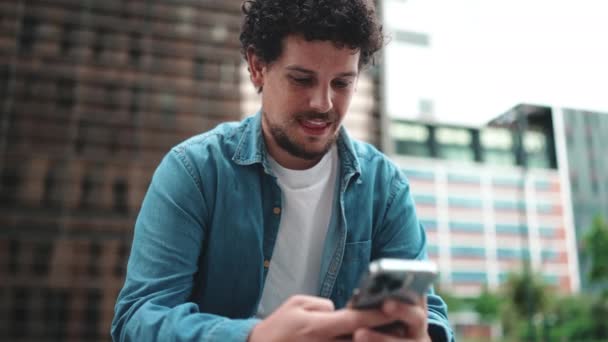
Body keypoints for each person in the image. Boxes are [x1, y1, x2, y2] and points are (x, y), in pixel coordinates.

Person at [111, 0, 453, 341]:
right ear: (257, 66)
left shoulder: (385, 187)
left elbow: (433, 317)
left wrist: (420, 337)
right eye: (302, 80)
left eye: (341, 83)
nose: (323, 103)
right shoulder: (195, 171)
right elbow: (137, 319)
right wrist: (254, 337)